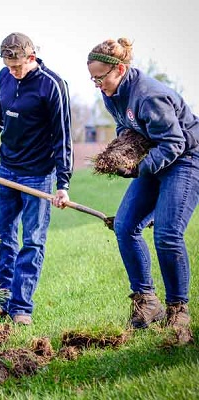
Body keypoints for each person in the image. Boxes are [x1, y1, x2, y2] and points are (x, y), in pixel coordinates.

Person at [87, 38, 199, 344]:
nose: (97, 84)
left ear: (120, 69)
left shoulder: (149, 96)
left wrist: (139, 168)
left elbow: (175, 143)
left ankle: (178, 309)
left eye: (101, 77)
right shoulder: (112, 94)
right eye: (92, 78)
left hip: (186, 159)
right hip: (156, 157)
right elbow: (129, 130)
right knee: (124, 225)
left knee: (167, 232)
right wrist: (123, 155)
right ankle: (148, 302)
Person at [0, 32, 73, 325]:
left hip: (37, 175)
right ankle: (2, 299)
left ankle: (21, 307)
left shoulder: (52, 85)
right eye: (8, 66)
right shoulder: (4, 77)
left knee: (32, 242)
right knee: (3, 238)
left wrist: (63, 184)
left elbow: (63, 137)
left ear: (32, 58)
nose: (13, 71)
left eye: (18, 66)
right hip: (7, 171)